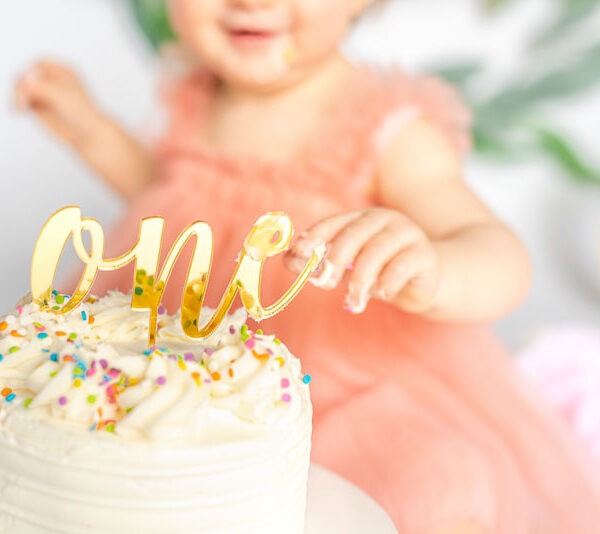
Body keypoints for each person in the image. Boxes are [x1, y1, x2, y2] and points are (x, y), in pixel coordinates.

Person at [14, 0, 600, 531]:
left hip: (348, 381)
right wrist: (92, 132)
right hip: (183, 361)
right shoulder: (197, 98)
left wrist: (434, 267)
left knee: (430, 477)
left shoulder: (385, 127)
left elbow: (499, 254)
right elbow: (171, 204)